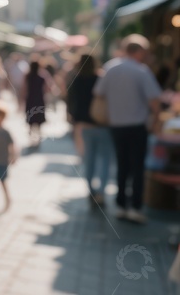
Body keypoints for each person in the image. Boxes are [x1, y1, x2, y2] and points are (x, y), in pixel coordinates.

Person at [93, 34, 162, 224]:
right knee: (137, 166)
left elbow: (99, 93)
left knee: (122, 165)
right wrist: (156, 120)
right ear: (139, 52)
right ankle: (135, 206)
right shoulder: (141, 71)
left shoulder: (111, 67)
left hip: (116, 124)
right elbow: (154, 100)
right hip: (137, 125)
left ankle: (121, 204)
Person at [66, 54, 111, 207]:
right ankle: (101, 192)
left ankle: (92, 190)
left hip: (83, 125)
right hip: (102, 124)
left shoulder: (76, 80)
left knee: (89, 160)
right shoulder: (100, 78)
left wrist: (72, 119)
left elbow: (70, 102)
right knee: (104, 160)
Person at [24, 58, 52, 148]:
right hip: (39, 100)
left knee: (31, 120)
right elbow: (48, 88)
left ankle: (32, 139)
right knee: (39, 121)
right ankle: (38, 139)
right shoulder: (42, 77)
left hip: (30, 100)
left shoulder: (28, 76)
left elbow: (23, 89)